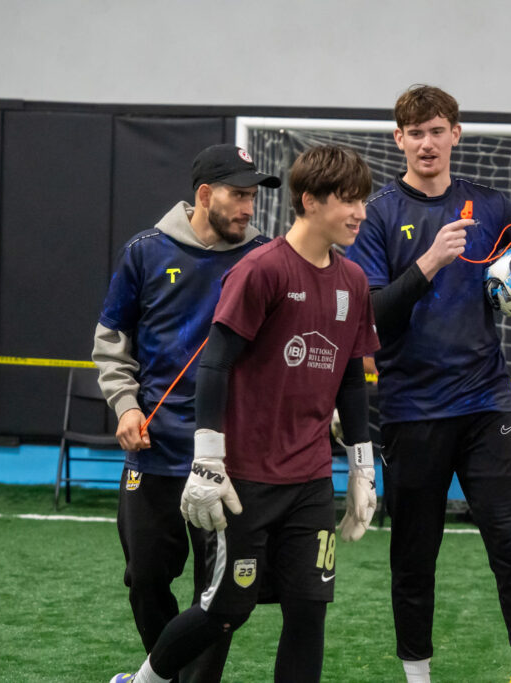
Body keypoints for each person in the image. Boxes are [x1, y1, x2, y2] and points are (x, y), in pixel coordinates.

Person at [110, 144, 380, 683]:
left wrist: (362, 466)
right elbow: (213, 363)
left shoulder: (352, 280)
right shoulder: (258, 268)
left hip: (308, 477)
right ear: (311, 200)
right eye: (349, 201)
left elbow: (352, 378)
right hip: (233, 472)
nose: (360, 214)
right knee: (217, 604)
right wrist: (206, 457)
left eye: (362, 201)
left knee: (309, 609)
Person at [344, 84, 511, 683]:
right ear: (398, 139)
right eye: (415, 133)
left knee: (510, 543)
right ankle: (418, 678)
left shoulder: (489, 206)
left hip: (484, 403)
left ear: (456, 134)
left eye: (436, 131)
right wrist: (429, 262)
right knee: (413, 558)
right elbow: (370, 314)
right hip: (412, 409)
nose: (427, 143)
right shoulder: (378, 214)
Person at [93, 143, 278, 680]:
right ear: (204, 194)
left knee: (217, 595)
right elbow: (112, 343)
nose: (248, 208)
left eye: (252, 197)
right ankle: (165, 674)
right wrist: (125, 406)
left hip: (230, 457)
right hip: (154, 451)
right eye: (238, 195)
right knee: (145, 578)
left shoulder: (264, 258)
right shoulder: (144, 252)